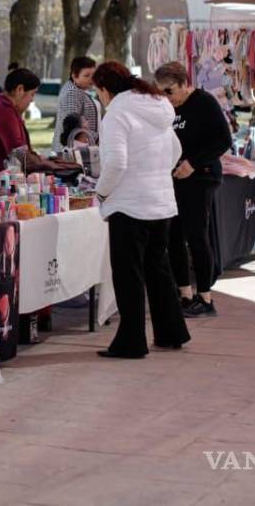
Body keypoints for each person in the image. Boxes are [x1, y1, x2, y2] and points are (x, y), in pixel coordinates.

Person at [92, 61, 190, 359]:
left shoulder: (117, 114)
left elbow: (117, 163)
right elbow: (175, 150)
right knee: (158, 269)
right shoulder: (158, 107)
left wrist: (101, 192)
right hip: (160, 202)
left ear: (105, 89)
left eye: (99, 92)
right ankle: (171, 331)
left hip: (129, 204)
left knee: (129, 275)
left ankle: (131, 341)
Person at [155, 63, 232, 318]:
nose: (168, 97)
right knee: (174, 235)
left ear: (185, 83)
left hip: (201, 177)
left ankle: (205, 296)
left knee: (196, 234)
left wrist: (194, 163)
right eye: (161, 92)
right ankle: (185, 294)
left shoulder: (204, 103)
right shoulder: (166, 107)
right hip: (173, 178)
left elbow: (223, 140)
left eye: (170, 91)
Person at [0, 68, 75, 175]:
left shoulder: (4, 107)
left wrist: (49, 161)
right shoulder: (2, 110)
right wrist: (58, 166)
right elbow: (21, 154)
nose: (32, 100)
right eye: (32, 94)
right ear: (20, 89)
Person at [51, 56, 99, 156]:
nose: (91, 79)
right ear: (74, 75)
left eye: (93, 75)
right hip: (74, 153)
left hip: (78, 150)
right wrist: (98, 137)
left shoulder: (76, 89)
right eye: (86, 76)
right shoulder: (73, 92)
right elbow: (71, 126)